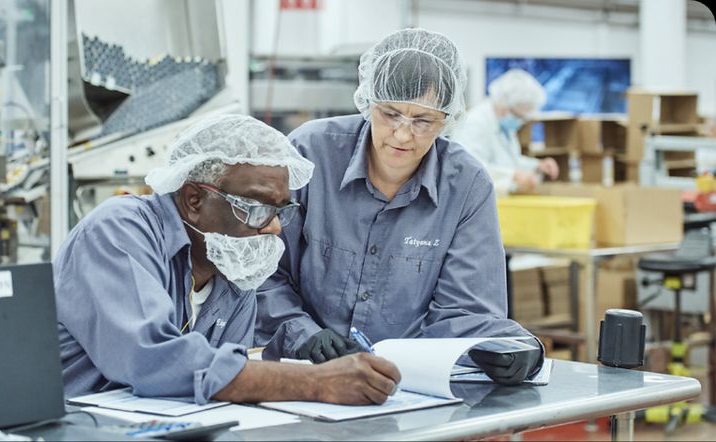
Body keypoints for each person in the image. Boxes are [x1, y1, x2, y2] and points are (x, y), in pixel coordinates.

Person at [255, 28, 543, 386]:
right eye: (391, 114)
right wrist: (302, 335)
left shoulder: (467, 186)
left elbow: (467, 311)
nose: (403, 135)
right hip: (301, 377)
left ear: (447, 119)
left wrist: (513, 348)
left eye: (423, 121)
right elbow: (260, 270)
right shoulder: (310, 154)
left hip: (409, 387)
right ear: (368, 101)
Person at [54, 114, 401, 405]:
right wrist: (316, 382)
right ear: (194, 199)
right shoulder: (120, 230)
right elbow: (151, 361)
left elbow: (222, 377)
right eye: (257, 208)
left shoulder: (232, 271)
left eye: (281, 211)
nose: (274, 227)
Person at [454, 68, 559, 195]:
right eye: (518, 116)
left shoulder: (503, 124)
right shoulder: (475, 123)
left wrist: (537, 166)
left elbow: (510, 161)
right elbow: (470, 170)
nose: (520, 122)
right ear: (504, 106)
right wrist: (513, 176)